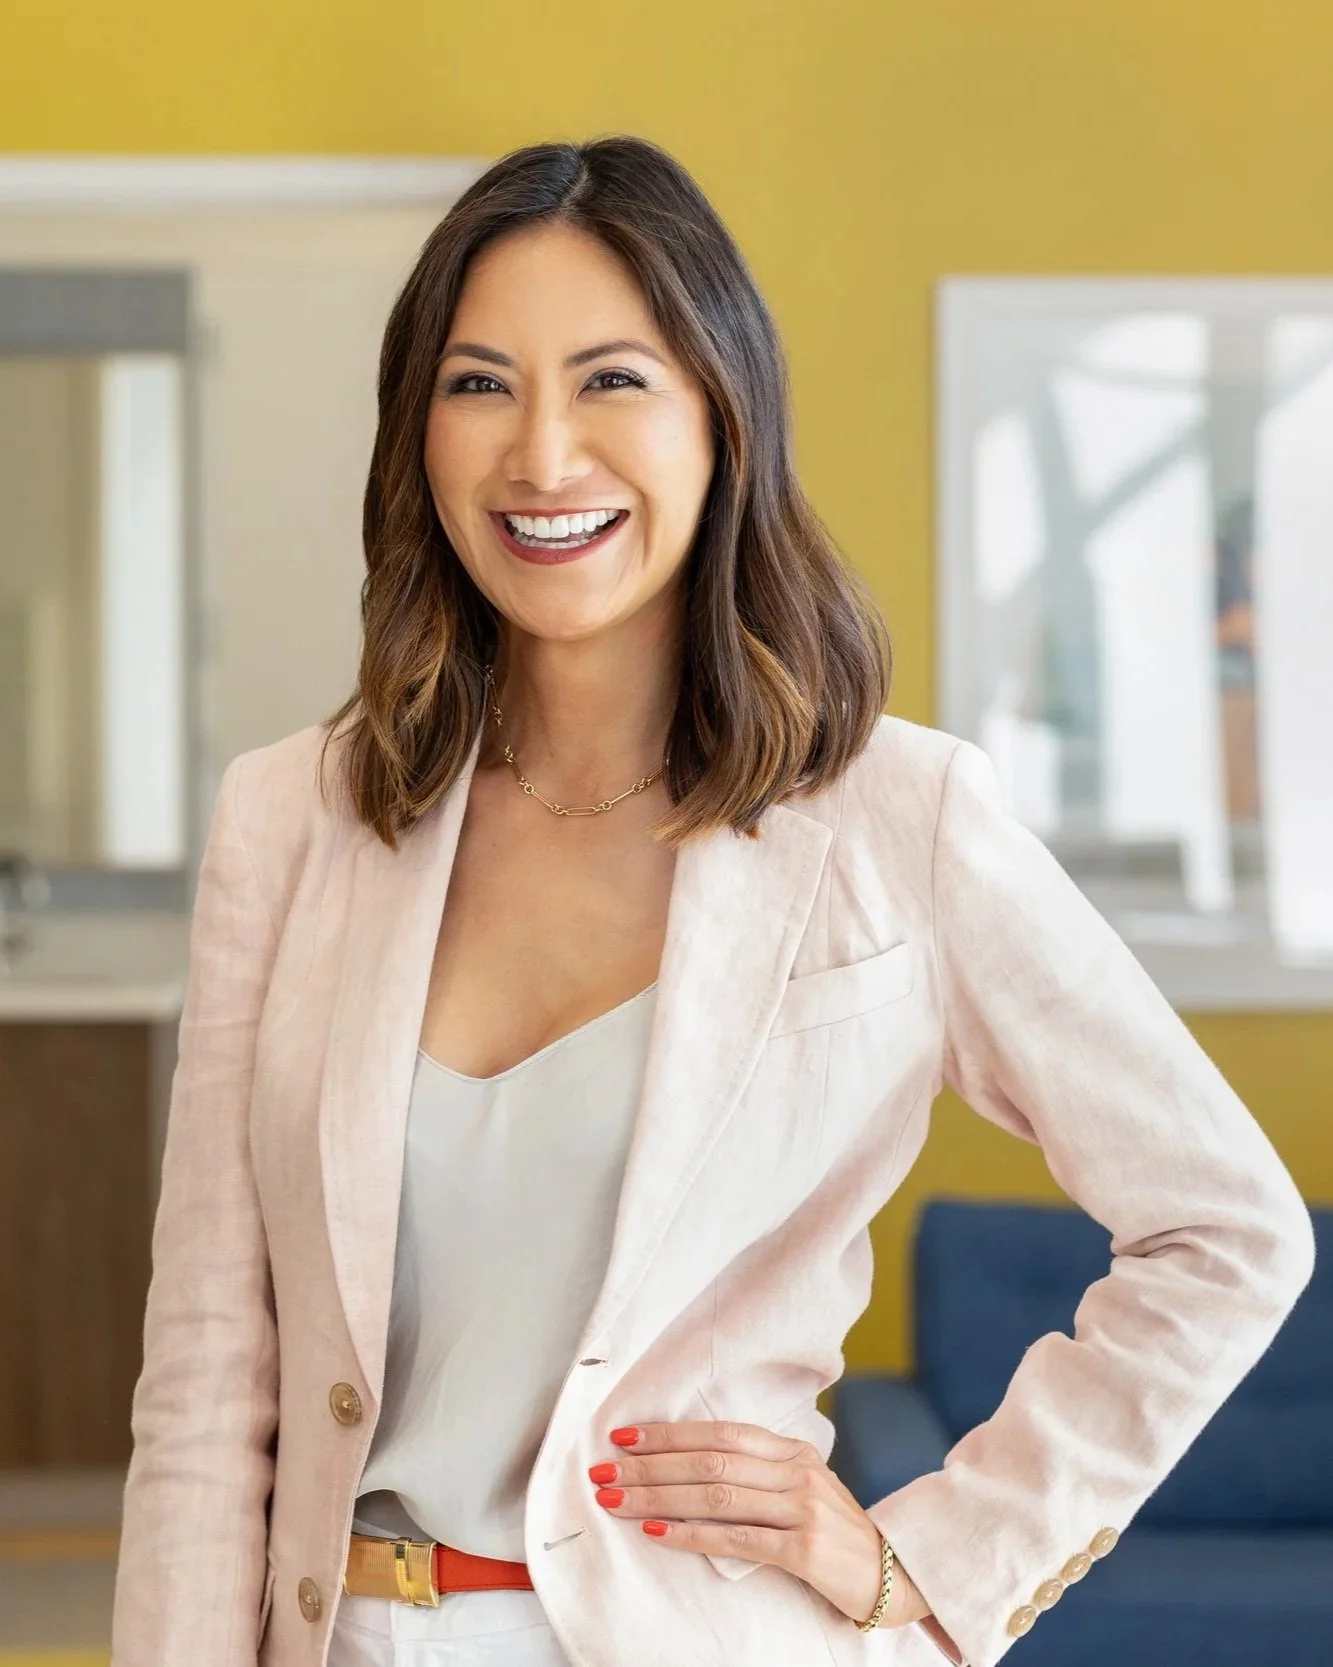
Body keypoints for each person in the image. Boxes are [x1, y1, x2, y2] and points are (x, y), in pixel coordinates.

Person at [110, 136, 1314, 1667]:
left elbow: (1227, 1226)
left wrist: (922, 1557)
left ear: (720, 415)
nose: (542, 455)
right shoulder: (294, 817)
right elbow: (212, 1373)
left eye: (612, 379)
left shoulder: (896, 817)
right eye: (479, 384)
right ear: (416, 429)